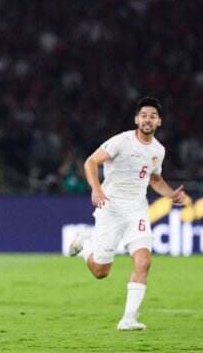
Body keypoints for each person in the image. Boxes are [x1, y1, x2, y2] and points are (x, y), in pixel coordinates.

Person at [69, 97, 190, 330]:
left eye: (152, 116)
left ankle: (128, 319)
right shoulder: (121, 142)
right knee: (100, 271)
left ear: (159, 122)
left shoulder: (158, 150)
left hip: (137, 210)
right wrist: (96, 189)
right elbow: (91, 162)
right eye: (143, 115)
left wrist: (170, 195)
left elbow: (154, 178)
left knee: (144, 262)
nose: (147, 119)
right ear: (137, 119)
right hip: (111, 208)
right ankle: (85, 244)